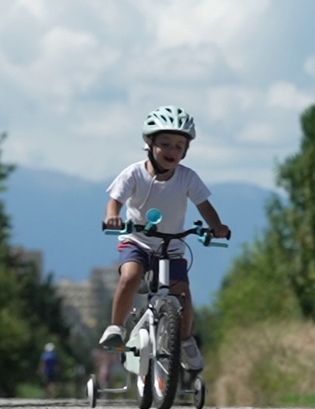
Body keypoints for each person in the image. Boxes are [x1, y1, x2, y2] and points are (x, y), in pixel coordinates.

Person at [98, 105, 231, 372]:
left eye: (179, 146)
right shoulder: (134, 173)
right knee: (130, 276)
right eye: (165, 144)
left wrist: (216, 226)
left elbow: (204, 206)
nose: (172, 151)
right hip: (137, 241)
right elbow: (115, 201)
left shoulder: (187, 177)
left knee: (182, 292)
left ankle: (183, 339)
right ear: (149, 143)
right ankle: (116, 326)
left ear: (186, 151)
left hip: (171, 246)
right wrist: (113, 216)